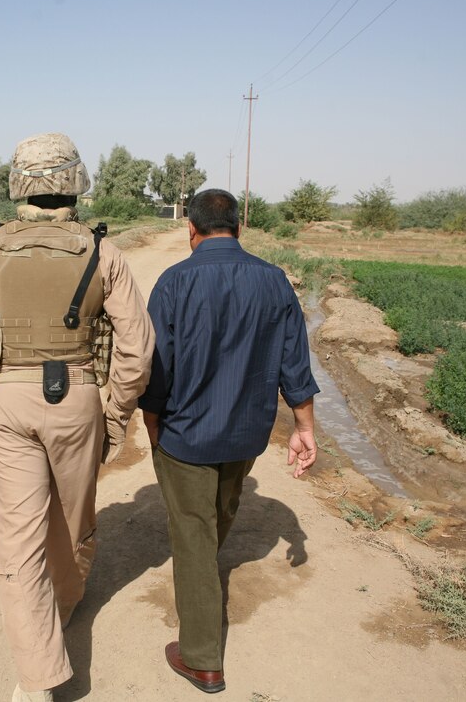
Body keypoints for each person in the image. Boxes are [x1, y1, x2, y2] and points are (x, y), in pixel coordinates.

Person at [0, 132, 154, 701]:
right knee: (74, 521)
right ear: (76, 182)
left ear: (18, 185)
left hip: (7, 403)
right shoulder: (104, 252)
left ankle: (35, 680)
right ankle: (64, 604)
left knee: (17, 539)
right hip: (79, 398)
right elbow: (136, 348)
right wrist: (115, 415)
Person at [138, 188, 319, 694]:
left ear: (190, 230)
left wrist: (150, 421)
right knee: (218, 515)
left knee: (194, 533)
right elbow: (295, 367)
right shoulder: (275, 282)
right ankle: (201, 590)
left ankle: (201, 659)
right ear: (239, 229)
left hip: (186, 433)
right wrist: (305, 428)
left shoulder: (174, 281)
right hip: (246, 435)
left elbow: (157, 366)